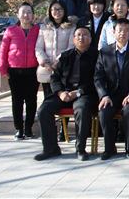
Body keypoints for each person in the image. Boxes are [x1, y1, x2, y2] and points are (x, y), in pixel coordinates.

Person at [34, 26, 96, 161]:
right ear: (73, 39)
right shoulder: (66, 56)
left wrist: (78, 92)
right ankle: (50, 149)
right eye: (78, 35)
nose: (81, 37)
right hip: (64, 92)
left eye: (85, 35)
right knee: (44, 110)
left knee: (82, 110)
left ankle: (80, 149)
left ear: (90, 39)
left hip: (83, 93)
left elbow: (97, 80)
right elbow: (55, 77)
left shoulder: (96, 56)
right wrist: (60, 92)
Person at [95, 19, 129, 160]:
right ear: (113, 32)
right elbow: (98, 77)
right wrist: (104, 95)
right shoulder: (104, 52)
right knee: (104, 111)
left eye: (126, 30)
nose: (122, 33)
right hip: (111, 95)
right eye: (119, 30)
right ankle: (109, 148)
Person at [0, 2, 40, 140]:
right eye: (23, 12)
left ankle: (28, 128)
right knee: (17, 100)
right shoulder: (10, 30)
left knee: (31, 100)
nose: (26, 15)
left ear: (33, 15)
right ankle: (19, 129)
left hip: (32, 70)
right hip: (15, 70)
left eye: (29, 12)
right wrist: (3, 69)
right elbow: (3, 51)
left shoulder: (38, 30)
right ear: (18, 15)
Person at [36, 0, 77, 99]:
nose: (57, 12)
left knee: (62, 99)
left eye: (60, 9)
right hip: (47, 68)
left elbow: (71, 47)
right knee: (48, 99)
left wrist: (58, 62)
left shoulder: (71, 26)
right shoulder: (44, 27)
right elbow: (39, 48)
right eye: (54, 9)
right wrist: (46, 63)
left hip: (63, 68)